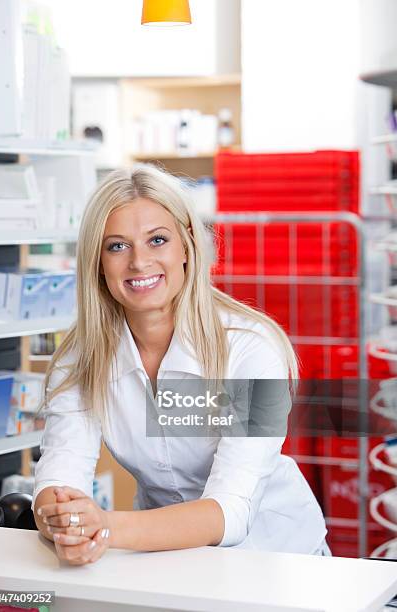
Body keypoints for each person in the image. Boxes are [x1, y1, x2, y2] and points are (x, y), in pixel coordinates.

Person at [33, 164, 329, 565]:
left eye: (157, 240)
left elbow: (231, 511)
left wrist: (104, 526)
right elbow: (60, 470)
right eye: (117, 246)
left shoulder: (250, 351)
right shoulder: (82, 356)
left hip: (278, 557)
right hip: (163, 555)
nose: (139, 262)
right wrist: (63, 519)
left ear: (187, 246)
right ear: (97, 263)